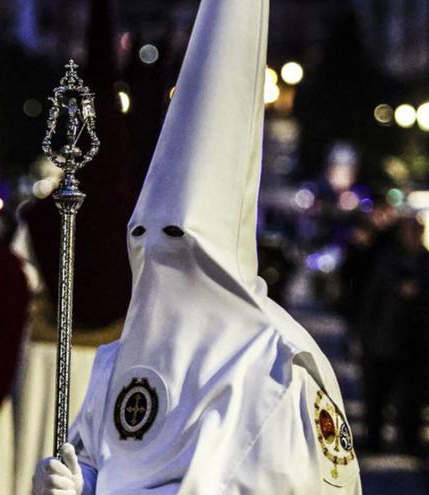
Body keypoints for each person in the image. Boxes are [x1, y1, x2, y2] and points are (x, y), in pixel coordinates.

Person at [32, 0, 361, 493]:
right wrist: (72, 482)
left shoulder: (279, 366)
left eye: (177, 238)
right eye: (140, 236)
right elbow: (95, 457)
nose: (157, 253)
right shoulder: (116, 362)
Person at [358, 217, 429, 455]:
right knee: (377, 395)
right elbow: (371, 300)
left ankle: (409, 442)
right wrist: (366, 335)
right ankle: (374, 441)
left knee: (411, 398)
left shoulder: (424, 262)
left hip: (416, 343)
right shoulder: (387, 260)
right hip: (384, 340)